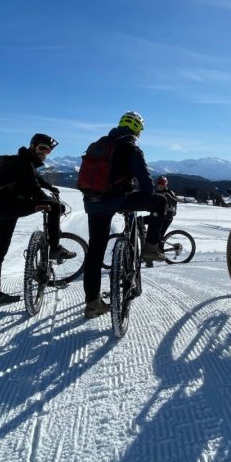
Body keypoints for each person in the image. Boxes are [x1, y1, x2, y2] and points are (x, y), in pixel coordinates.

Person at [82, 112, 167, 319]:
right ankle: (151, 247)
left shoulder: (99, 144)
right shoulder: (131, 148)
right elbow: (147, 187)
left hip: (93, 202)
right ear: (137, 130)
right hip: (117, 200)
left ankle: (92, 304)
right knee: (160, 202)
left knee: (95, 251)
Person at [0, 133, 73, 305]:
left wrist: (50, 187)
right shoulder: (25, 163)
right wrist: (50, 199)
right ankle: (54, 248)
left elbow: (35, 179)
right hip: (12, 207)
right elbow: (34, 188)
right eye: (42, 148)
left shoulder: (21, 161)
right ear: (33, 146)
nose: (44, 153)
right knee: (55, 207)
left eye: (47, 151)